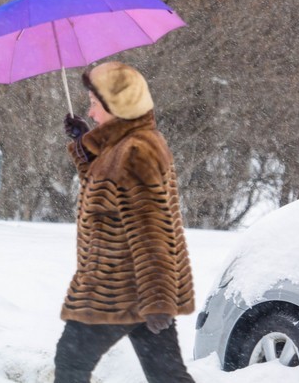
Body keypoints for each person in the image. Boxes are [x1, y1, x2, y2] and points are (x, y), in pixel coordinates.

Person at [55, 61, 195, 383]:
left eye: (93, 105)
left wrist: (158, 298)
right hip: (140, 288)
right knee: (166, 374)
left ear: (116, 105)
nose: (90, 113)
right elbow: (106, 190)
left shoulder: (134, 152)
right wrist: (84, 145)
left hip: (119, 287)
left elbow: (153, 231)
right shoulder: (128, 145)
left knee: (71, 361)